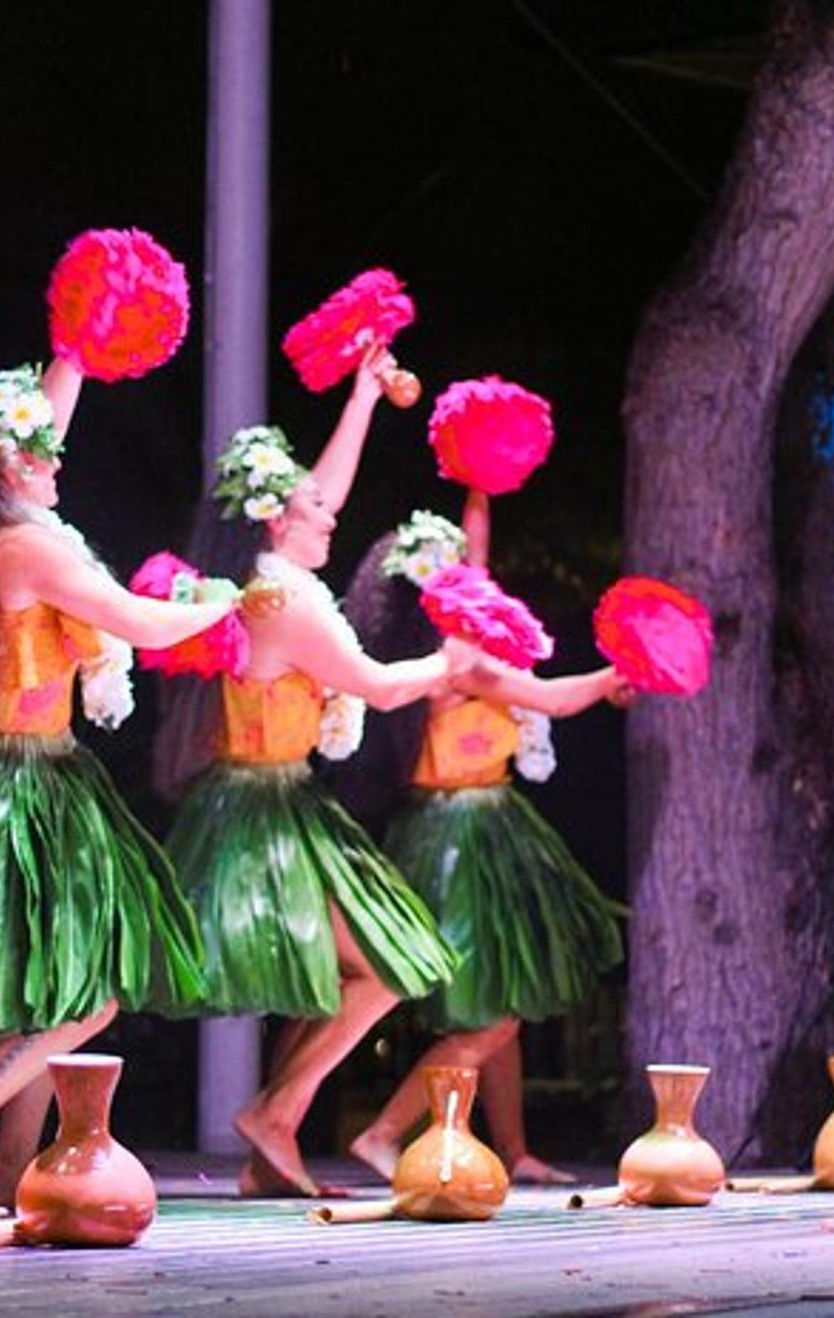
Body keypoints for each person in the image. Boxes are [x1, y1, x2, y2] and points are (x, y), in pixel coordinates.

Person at [0, 357, 238, 1220]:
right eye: (39, 452)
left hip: (20, 773)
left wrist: (75, 350)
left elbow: (41, 430)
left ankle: (7, 1177)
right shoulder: (27, 546)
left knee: (37, 993)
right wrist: (225, 603)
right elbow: (140, 623)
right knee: (85, 995)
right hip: (18, 787)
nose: (57, 461)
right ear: (3, 464)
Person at [153, 343, 463, 1199]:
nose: (331, 518)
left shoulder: (275, 575)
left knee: (356, 970)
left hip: (278, 797)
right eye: (311, 511)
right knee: (386, 966)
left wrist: (363, 397)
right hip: (262, 813)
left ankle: (272, 1133)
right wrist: (453, 661)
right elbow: (378, 686)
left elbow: (325, 490)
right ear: (274, 522)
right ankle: (277, 1113)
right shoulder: (285, 602)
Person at [331, 492, 633, 1184]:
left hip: (476, 828)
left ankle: (514, 1149)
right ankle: (383, 1132)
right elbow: (553, 698)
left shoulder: (432, 651)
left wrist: (479, 483)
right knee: (493, 1014)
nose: (473, 583)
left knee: (505, 1002)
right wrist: (617, 674)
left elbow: (479, 559)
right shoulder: (458, 664)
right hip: (457, 844)